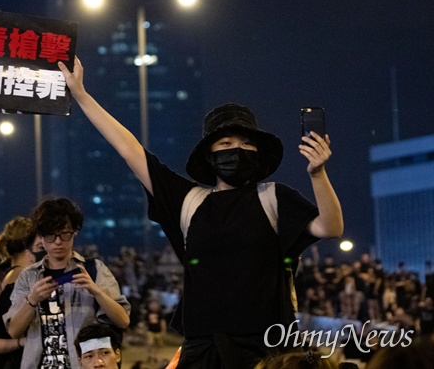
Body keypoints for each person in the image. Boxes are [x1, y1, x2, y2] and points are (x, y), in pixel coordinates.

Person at [58, 57, 344, 369]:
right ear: (210, 155)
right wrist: (82, 95)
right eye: (227, 142)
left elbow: (330, 227)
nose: (238, 149)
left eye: (247, 143)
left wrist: (318, 175)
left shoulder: (274, 197)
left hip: (266, 350)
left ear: (258, 153)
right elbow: (130, 150)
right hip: (203, 349)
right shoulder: (188, 200)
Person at [4, 198, 131, 369]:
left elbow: (123, 320)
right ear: (41, 237)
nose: (58, 241)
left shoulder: (94, 269)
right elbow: (13, 331)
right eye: (51, 235)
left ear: (74, 233)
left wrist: (96, 292)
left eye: (65, 234)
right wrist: (32, 300)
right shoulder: (28, 276)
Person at [0, 217, 41, 369]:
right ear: (29, 251)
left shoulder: (12, 276)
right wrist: (23, 342)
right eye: (40, 247)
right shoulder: (21, 279)